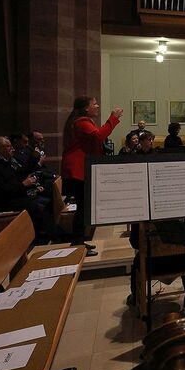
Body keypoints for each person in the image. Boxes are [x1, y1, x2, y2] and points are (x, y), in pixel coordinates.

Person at [61, 97, 122, 254]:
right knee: (82, 208)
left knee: (83, 208)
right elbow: (98, 136)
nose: (97, 106)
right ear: (86, 108)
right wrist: (113, 118)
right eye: (94, 104)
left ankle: (79, 242)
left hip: (79, 169)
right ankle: (77, 243)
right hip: (78, 170)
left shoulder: (80, 121)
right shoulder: (81, 122)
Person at [0, 136, 60, 242]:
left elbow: (17, 175)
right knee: (35, 206)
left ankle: (51, 234)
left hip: (10, 196)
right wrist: (23, 185)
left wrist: (33, 159)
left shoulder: (0, 161)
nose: (12, 149)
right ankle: (40, 238)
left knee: (44, 200)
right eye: (8, 146)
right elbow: (0, 190)